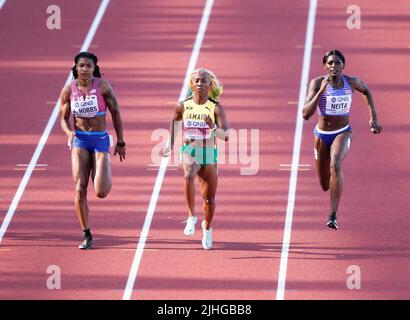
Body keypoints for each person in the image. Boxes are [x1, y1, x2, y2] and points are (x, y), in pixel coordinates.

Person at [303, 50, 382, 230]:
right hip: (322, 135)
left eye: (337, 63)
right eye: (330, 63)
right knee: (325, 185)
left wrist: (373, 118)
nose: (334, 66)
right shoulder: (317, 83)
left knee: (336, 163)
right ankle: (331, 190)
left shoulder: (351, 82)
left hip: (343, 131)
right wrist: (321, 91)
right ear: (325, 66)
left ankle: (332, 215)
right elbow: (305, 114)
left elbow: (367, 90)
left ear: (343, 66)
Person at [59, 52, 126, 249]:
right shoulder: (68, 90)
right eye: (82, 66)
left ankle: (103, 165)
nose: (85, 69)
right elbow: (63, 118)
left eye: (89, 66)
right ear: (76, 67)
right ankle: (87, 234)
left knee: (101, 192)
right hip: (79, 140)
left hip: (100, 140)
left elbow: (116, 112)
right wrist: (68, 132)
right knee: (80, 187)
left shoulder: (103, 87)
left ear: (94, 68)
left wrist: (120, 141)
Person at [161, 68, 229, 249]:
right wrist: (170, 144)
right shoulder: (183, 105)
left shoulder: (216, 107)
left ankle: (207, 228)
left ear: (210, 84)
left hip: (208, 154)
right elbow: (174, 122)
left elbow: (226, 135)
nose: (199, 84)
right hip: (189, 149)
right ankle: (191, 216)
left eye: (203, 81)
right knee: (188, 174)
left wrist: (213, 127)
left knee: (209, 200)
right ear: (191, 84)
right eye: (196, 80)